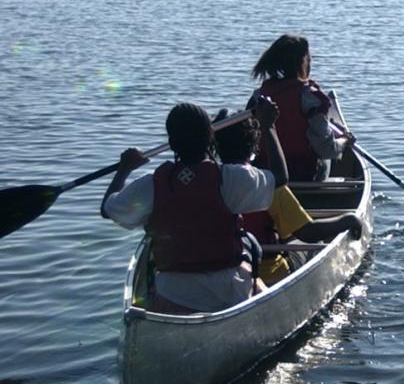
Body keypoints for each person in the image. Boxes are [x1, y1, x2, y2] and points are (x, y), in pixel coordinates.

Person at [101, 96, 287, 314]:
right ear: (211, 138)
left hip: (174, 293)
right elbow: (280, 177)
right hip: (230, 290)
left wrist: (124, 168)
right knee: (269, 296)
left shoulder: (151, 184)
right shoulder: (231, 177)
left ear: (171, 143)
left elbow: (107, 209)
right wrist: (268, 126)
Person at [213, 112, 363, 287]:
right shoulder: (267, 185)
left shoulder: (208, 183)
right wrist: (347, 220)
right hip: (268, 275)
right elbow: (309, 233)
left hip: (223, 273)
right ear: (255, 146)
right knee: (310, 244)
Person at [250, 33, 353, 182]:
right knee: (328, 155)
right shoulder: (311, 99)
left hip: (267, 175)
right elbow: (326, 150)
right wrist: (344, 140)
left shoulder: (258, 96)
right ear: (303, 62)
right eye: (309, 59)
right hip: (304, 176)